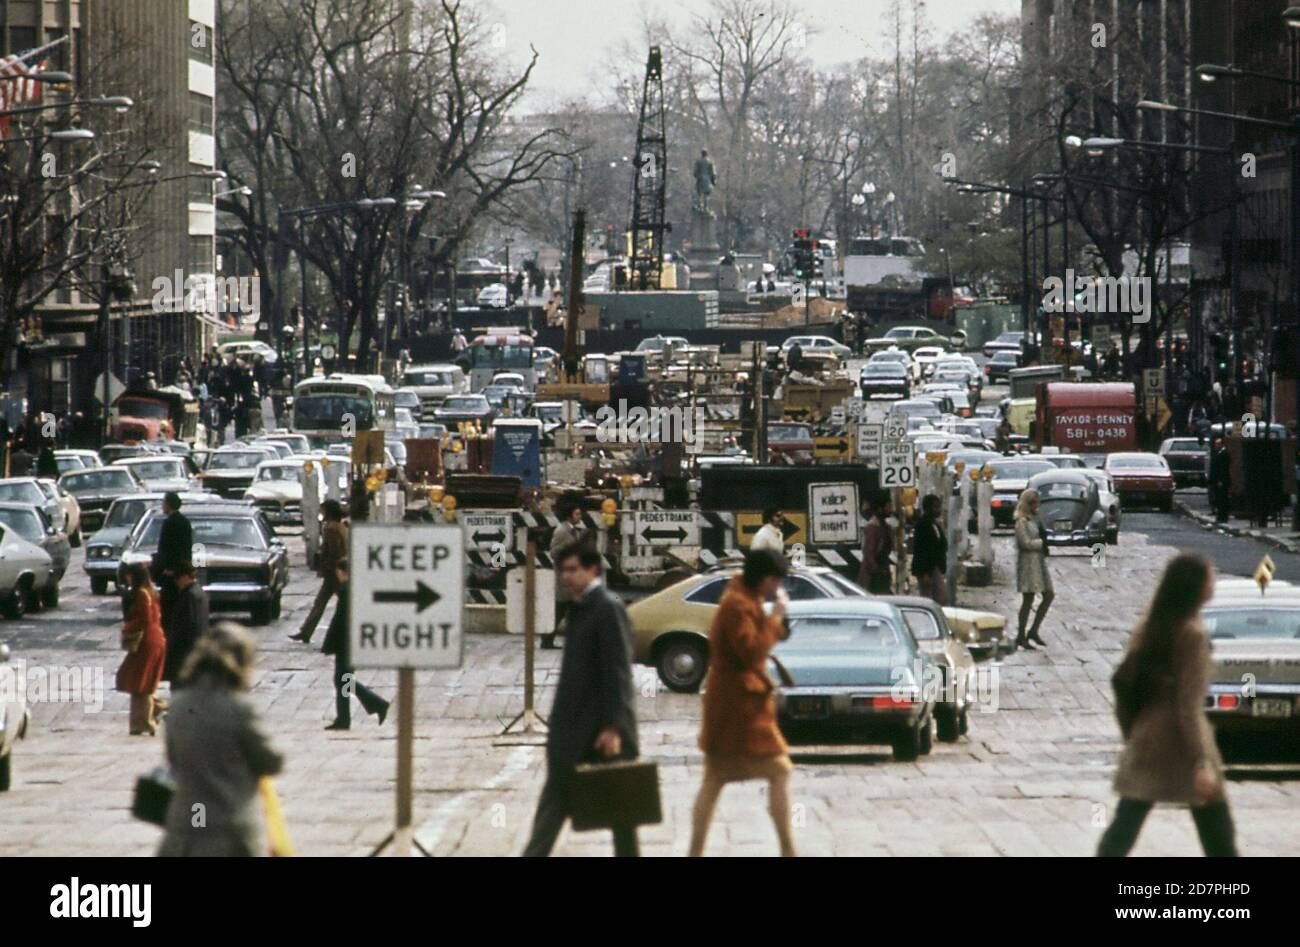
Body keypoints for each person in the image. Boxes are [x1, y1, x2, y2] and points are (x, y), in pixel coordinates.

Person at [1098, 554, 1236, 856]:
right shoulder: (1193, 633)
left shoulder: (1152, 626)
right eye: (1210, 577)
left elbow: (1123, 683)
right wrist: (1201, 762)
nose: (1214, 582)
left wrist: (1132, 732)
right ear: (1196, 587)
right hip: (1183, 741)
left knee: (1125, 824)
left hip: (1149, 737)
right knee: (1218, 832)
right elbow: (1188, 705)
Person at [523, 544, 638, 857]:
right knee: (554, 811)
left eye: (574, 569)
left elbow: (618, 671)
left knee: (622, 818)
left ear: (593, 570)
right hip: (572, 733)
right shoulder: (581, 607)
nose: (566, 577)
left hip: (600, 734)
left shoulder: (606, 608)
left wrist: (614, 727)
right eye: (563, 570)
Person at [689, 549, 796, 857]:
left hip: (734, 705)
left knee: (714, 779)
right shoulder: (738, 604)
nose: (777, 587)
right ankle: (788, 850)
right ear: (766, 578)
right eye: (776, 581)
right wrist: (775, 617)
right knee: (779, 770)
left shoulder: (743, 598)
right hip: (740, 708)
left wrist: (777, 621)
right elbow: (752, 652)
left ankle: (694, 852)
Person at [158, 623, 284, 857]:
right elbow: (271, 762)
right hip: (229, 828)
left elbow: (173, 760)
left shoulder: (178, 705)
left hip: (188, 824)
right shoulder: (239, 709)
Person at [322, 558, 390, 730]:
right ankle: (345, 717)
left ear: (343, 573)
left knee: (342, 679)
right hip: (349, 642)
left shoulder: (348, 592)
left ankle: (375, 704)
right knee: (343, 680)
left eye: (338, 573)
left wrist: (331, 642)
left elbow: (341, 621)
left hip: (346, 643)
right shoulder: (354, 591)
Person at [115, 562, 166, 736]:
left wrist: (128, 628)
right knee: (141, 680)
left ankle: (145, 721)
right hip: (155, 638)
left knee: (140, 681)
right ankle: (153, 712)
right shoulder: (151, 592)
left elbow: (145, 619)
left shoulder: (142, 594)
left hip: (146, 641)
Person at [291, 499, 347, 643]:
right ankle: (305, 631)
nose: (321, 512)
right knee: (321, 602)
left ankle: (306, 631)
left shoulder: (331, 528)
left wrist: (326, 566)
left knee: (339, 602)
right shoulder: (340, 526)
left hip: (334, 572)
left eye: (323, 510)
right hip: (337, 571)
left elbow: (333, 551)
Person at [543, 502, 587, 650]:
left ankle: (550, 639)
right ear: (569, 516)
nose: (579, 517)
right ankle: (547, 639)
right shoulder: (562, 531)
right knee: (561, 610)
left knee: (568, 610)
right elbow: (554, 552)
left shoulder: (575, 530)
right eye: (577, 514)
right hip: (564, 577)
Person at [1014, 488, 1053, 650]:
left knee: (1049, 595)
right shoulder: (1021, 521)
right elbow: (1025, 543)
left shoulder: (1034, 519)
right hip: (1028, 564)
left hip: (1039, 562)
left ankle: (1034, 630)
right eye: (1033, 502)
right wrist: (1041, 543)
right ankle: (1021, 634)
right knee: (1028, 598)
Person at [162, 563, 209, 688]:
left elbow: (189, 625)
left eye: (177, 578)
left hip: (184, 653)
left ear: (184, 577)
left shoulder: (189, 596)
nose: (176, 582)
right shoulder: (199, 592)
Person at [154, 492, 193, 635]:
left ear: (168, 504)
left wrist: (166, 568)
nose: (162, 506)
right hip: (182, 569)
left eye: (163, 503)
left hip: (171, 572)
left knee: (169, 607)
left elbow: (167, 548)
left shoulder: (170, 522)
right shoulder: (184, 521)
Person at [911, 494, 948, 605]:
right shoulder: (922, 524)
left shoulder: (934, 523)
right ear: (928, 508)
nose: (939, 510)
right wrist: (925, 573)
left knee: (939, 597)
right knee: (928, 600)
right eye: (936, 507)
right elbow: (921, 549)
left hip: (935, 567)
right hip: (927, 569)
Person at [858, 492, 893, 594]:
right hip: (873, 578)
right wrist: (877, 570)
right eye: (888, 507)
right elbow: (869, 552)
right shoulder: (873, 527)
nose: (890, 510)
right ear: (879, 508)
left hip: (881, 573)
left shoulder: (884, 526)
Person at [1209, 437, 1231, 523]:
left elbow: (1223, 469)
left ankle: (1223, 517)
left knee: (1222, 499)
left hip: (1222, 481)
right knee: (1219, 498)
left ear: (1222, 444)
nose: (1215, 445)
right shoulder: (1219, 453)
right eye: (1215, 444)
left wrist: (1221, 480)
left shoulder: (1224, 454)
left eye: (1217, 444)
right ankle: (1220, 516)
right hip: (1218, 480)